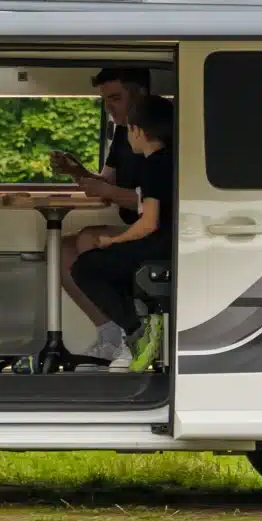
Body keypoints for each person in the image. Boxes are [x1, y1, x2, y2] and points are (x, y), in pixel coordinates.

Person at [49, 67, 149, 360]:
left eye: (115, 98)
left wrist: (108, 192)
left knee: (88, 240)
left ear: (139, 94)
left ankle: (134, 335)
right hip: (136, 225)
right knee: (60, 250)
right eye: (104, 100)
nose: (109, 107)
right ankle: (110, 335)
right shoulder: (123, 132)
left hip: (158, 229)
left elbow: (158, 201)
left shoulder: (159, 131)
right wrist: (76, 171)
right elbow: (108, 181)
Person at [69, 94, 174, 372]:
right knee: (110, 261)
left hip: (160, 244)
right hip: (167, 241)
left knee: (85, 267)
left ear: (138, 131)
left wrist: (112, 241)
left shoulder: (153, 165)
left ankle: (138, 329)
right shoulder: (170, 161)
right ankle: (141, 326)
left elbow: (149, 223)